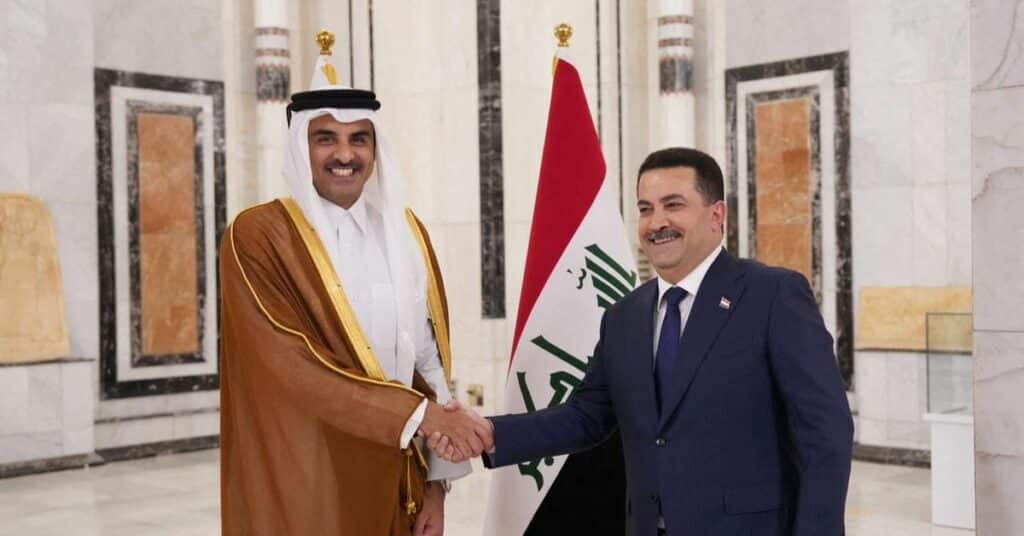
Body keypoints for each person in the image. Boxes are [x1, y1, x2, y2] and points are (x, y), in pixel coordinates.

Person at [432, 147, 854, 535]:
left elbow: (825, 433)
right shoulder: (623, 316)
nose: (657, 222)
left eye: (674, 205)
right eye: (645, 209)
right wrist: (490, 433)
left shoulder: (772, 295)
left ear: (716, 214)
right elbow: (587, 416)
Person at [220, 35, 488, 536]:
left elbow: (428, 361)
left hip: (398, 476)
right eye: (326, 138)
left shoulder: (405, 231)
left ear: (375, 148)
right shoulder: (258, 235)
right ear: (302, 147)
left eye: (358, 139)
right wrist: (422, 416)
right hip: (305, 476)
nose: (345, 154)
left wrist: (438, 485)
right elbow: (289, 363)